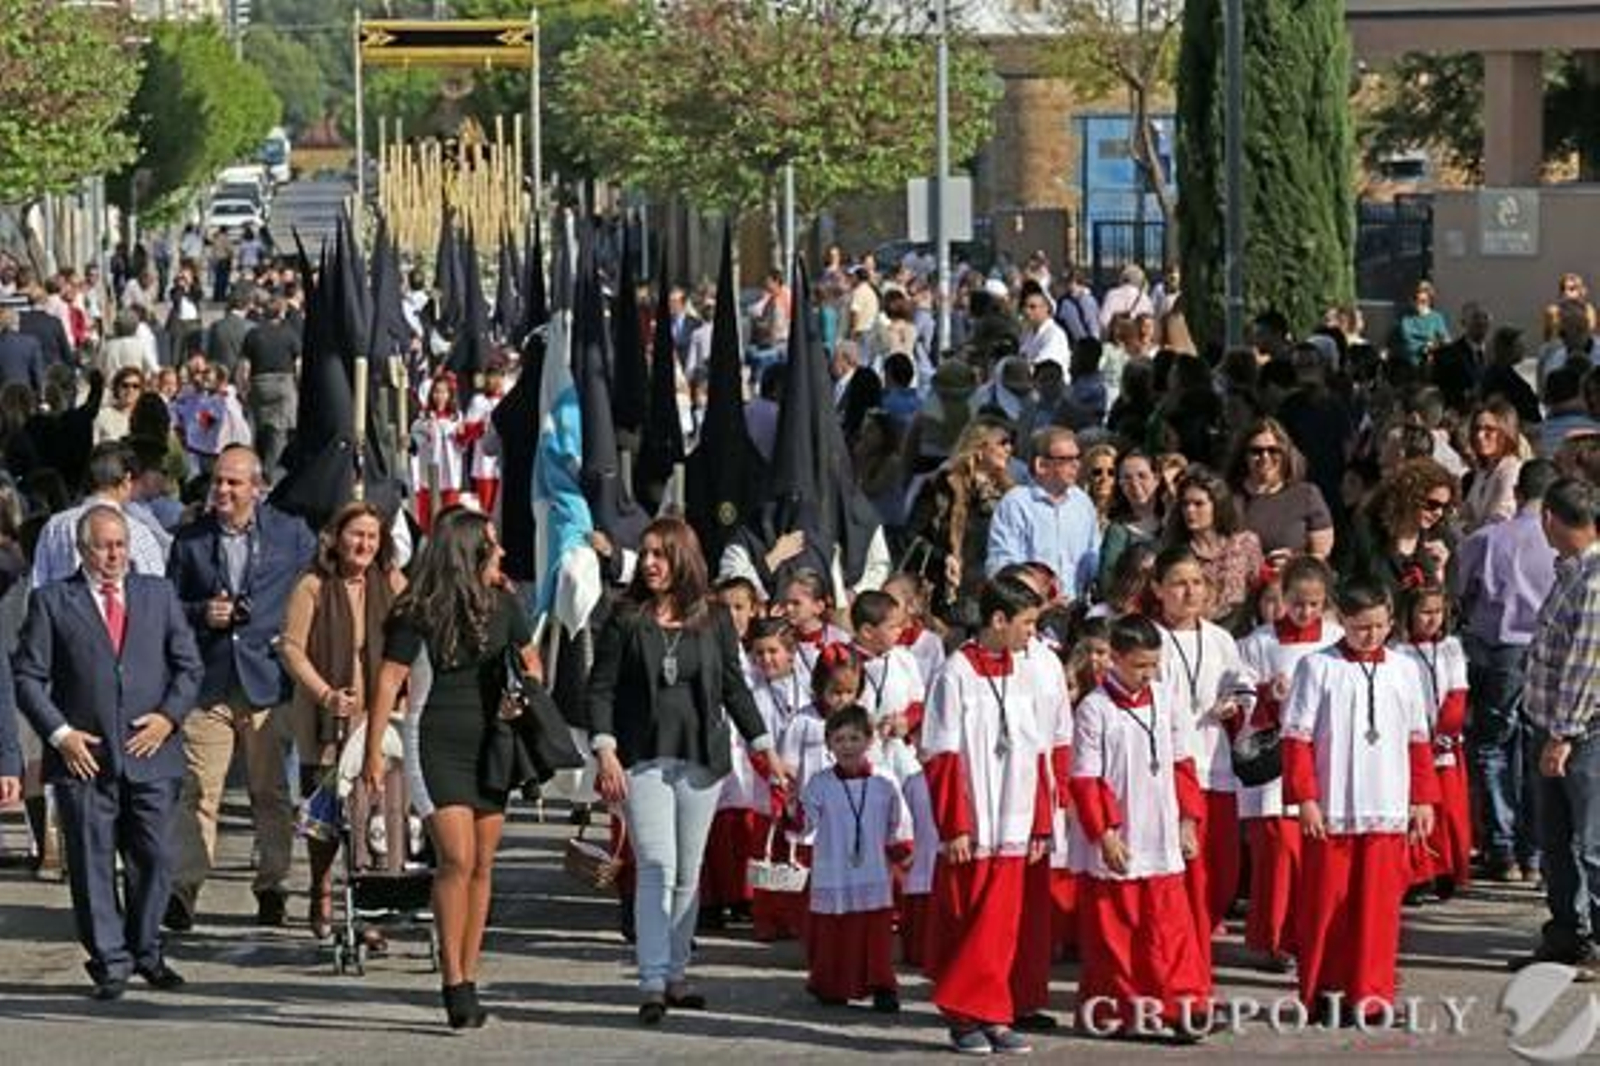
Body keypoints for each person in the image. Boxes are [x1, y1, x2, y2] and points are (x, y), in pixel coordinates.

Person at [586, 517, 791, 1024]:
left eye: (660, 554)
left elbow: (733, 688)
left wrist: (765, 748)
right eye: (647, 553)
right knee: (656, 864)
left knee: (688, 871)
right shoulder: (625, 614)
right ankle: (652, 979)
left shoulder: (715, 617)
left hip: (702, 756)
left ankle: (678, 973)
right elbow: (601, 687)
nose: (651, 563)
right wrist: (605, 748)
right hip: (643, 755)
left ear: (683, 558)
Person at [14, 505, 203, 999]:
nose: (114, 554)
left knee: (157, 857)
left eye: (120, 544)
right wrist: (61, 735)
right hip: (85, 759)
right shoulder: (53, 602)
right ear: (82, 549)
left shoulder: (158, 596)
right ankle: (111, 961)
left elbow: (188, 668)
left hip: (151, 754)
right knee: (92, 861)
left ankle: (146, 949)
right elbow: (29, 678)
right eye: (103, 545)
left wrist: (168, 717)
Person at [361, 508, 537, 1028]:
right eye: (493, 543)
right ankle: (453, 979)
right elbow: (389, 681)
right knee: (456, 858)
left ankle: (470, 971)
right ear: (469, 550)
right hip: (434, 738)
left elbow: (532, 663)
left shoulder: (504, 604)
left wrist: (519, 697)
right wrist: (374, 750)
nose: (502, 552)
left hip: (492, 741)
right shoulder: (418, 610)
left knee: (483, 862)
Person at [164, 445, 318, 930]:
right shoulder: (189, 541)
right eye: (218, 481)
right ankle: (182, 890)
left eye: (234, 482)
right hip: (207, 683)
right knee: (196, 791)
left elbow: (313, 592)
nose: (223, 490)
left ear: (258, 487)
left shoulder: (291, 536)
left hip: (266, 682)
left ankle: (273, 886)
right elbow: (169, 606)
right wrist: (199, 613)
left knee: (269, 791)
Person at [1282, 580, 1439, 1024]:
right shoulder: (1318, 667)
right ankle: (1325, 992)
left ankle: (1371, 996)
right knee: (1327, 904)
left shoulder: (1404, 668)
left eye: (1378, 626)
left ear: (1391, 620)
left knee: (1379, 909)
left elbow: (1417, 738)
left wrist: (1422, 799)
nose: (1370, 636)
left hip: (1387, 804)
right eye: (1359, 628)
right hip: (1332, 807)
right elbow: (1296, 739)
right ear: (1342, 622)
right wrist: (1306, 797)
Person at [921, 575, 1052, 1055]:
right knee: (969, 920)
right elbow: (941, 755)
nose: (1031, 635)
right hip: (973, 823)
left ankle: (993, 1014)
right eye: (1027, 624)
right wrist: (954, 823)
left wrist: (1040, 821)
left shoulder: (1025, 671)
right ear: (998, 620)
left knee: (1002, 926)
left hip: (1013, 820)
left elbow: (1037, 752)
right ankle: (963, 1018)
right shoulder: (955, 674)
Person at [1069, 613, 1210, 1039]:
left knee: (1169, 925)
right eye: (1139, 666)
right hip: (1120, 830)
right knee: (1118, 930)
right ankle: (1122, 1012)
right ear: (1114, 658)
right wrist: (1105, 833)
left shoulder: (1166, 699)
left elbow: (1184, 762)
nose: (1147, 674)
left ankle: (1181, 1004)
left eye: (1153, 665)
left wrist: (1188, 820)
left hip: (1162, 827)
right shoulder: (1095, 708)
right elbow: (1086, 780)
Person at [278, 502, 406, 940]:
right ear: (336, 537)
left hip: (377, 716)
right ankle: (321, 887)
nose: (364, 544)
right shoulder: (313, 585)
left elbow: (411, 639)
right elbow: (291, 648)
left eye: (372, 537)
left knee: (372, 812)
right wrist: (326, 695)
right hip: (323, 716)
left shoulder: (391, 583)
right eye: (357, 535)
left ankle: (366, 907)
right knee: (327, 811)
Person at [1453, 459, 1559, 884]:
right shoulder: (1560, 542)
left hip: (1498, 648)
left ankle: (1503, 846)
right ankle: (1533, 851)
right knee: (1536, 750)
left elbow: (1463, 591)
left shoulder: (1488, 539)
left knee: (1494, 746)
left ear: (1516, 494)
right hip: (1546, 651)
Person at [1235, 556, 1342, 970]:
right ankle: (1273, 937)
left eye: (1315, 603)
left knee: (1313, 854)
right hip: (1275, 763)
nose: (1306, 612)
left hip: (1320, 759)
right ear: (1284, 597)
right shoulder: (1260, 642)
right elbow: (1240, 693)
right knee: (1277, 855)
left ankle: (1311, 932)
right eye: (1298, 602)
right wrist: (1266, 693)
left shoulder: (1334, 638)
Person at [1150, 546, 1251, 968]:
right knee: (1184, 866)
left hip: (1217, 763)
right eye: (1178, 583)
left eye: (1196, 583)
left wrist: (1237, 703)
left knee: (1221, 866)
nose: (1189, 592)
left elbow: (1244, 681)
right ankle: (1186, 953)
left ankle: (1202, 934)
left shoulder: (1220, 638)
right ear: (1158, 589)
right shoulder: (1151, 639)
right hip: (1173, 768)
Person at [1519, 477, 1600, 970]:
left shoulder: (1593, 581)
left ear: (1549, 518)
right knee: (1556, 840)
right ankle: (1565, 933)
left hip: (1580, 733)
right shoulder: (1571, 571)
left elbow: (1585, 664)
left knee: (1591, 843)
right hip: (1552, 726)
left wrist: (1563, 734)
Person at [799, 704, 913, 1012]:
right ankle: (832, 984)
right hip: (833, 868)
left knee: (874, 933)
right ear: (829, 745)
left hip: (873, 869)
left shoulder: (884, 781)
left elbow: (898, 821)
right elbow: (804, 823)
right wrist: (790, 813)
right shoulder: (820, 783)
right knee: (835, 931)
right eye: (839, 740)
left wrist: (901, 850)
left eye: (854, 739)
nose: (847, 746)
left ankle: (882, 987)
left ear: (869, 741)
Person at [1395, 580, 1471, 900]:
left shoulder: (1451, 648)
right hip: (1411, 741)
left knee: (1448, 809)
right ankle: (1416, 873)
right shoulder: (1397, 651)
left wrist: (1445, 732)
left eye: (1438, 612)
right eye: (1425, 612)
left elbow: (1456, 694)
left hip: (1443, 743)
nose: (1432, 619)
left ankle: (1448, 869)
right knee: (1414, 808)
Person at [985, 426, 1101, 602]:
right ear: (1041, 465)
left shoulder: (1083, 502)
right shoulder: (1016, 503)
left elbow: (1094, 557)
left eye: (1077, 457)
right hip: (1032, 612)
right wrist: (1039, 599)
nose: (1076, 464)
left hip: (1076, 612)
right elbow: (1003, 564)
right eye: (1066, 459)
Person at [31, 440, 169, 588]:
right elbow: (155, 588)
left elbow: (38, 583)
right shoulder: (136, 530)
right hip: (119, 609)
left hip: (58, 608)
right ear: (127, 480)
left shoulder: (55, 526)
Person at [1164, 467, 1264, 627]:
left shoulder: (1245, 543)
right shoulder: (1177, 552)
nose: (1190, 510)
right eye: (1185, 504)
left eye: (1198, 504)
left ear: (1217, 504)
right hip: (1196, 636)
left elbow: (1258, 593)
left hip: (1240, 636)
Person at [1227, 417, 1335, 563]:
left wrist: (1293, 563)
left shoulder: (1307, 495)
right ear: (1244, 455)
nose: (1265, 457)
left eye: (1273, 450)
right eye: (1256, 451)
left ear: (1285, 453)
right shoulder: (1227, 495)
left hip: (1290, 582)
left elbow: (1321, 555)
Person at [238, 298, 300, 477]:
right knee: (278, 431)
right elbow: (298, 365)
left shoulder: (253, 334)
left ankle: (252, 466)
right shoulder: (290, 334)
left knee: (256, 427)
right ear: (281, 313)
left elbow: (245, 366)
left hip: (259, 383)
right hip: (283, 384)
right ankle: (268, 471)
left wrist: (243, 388)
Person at [1097, 449, 1165, 595]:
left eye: (1142, 476)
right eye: (1126, 478)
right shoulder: (1117, 531)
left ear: (1157, 479)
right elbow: (1106, 584)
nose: (1135, 483)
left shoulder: (1172, 524)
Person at [1462, 400, 1526, 532]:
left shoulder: (1512, 470)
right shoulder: (1483, 471)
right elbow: (1464, 514)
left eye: (1489, 429)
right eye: (1477, 429)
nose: (1480, 436)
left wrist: (1469, 526)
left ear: (1506, 431)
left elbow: (1498, 522)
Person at [1393, 281, 1449, 365]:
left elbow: (1446, 341)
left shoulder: (1436, 318)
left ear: (1429, 301)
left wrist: (1434, 346)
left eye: (1423, 301)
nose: (1419, 304)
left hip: (1428, 362)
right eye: (1416, 299)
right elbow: (1400, 342)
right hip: (1406, 362)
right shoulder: (1405, 318)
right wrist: (1421, 347)